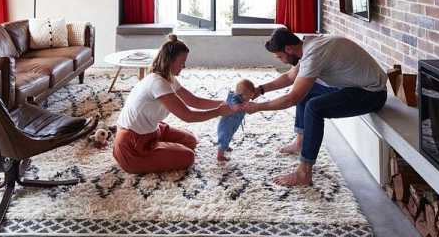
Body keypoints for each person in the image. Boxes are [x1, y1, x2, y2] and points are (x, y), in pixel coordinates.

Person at [243, 28, 388, 186]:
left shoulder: (313, 55)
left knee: (314, 107)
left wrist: (257, 107)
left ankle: (304, 172)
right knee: (308, 89)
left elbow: (291, 99)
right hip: (354, 85)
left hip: (372, 94)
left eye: (280, 56)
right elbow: (290, 77)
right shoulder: (308, 44)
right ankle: (301, 141)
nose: (281, 60)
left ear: (288, 49)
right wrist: (260, 89)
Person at [113, 34, 237, 174]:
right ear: (170, 61)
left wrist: (222, 103)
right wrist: (218, 112)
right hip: (132, 145)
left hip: (151, 130)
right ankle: (152, 152)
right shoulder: (158, 83)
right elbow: (188, 116)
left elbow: (193, 100)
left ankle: (161, 147)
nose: (184, 66)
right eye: (182, 62)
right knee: (188, 157)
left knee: (191, 141)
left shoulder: (168, 77)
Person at [216, 79, 256, 162]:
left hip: (234, 123)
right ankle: (220, 155)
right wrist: (243, 105)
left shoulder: (242, 97)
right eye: (248, 97)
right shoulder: (235, 99)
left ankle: (225, 146)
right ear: (240, 94)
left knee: (229, 136)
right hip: (227, 123)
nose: (249, 99)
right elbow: (235, 106)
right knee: (224, 137)